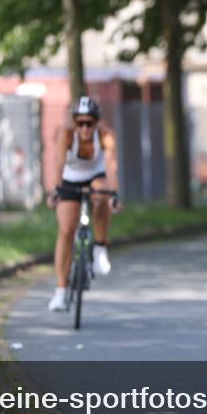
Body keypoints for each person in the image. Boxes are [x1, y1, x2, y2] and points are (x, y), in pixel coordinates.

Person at [46, 96, 121, 312]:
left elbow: (111, 166)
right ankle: (60, 292)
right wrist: (55, 191)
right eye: (80, 123)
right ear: (74, 122)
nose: (85, 128)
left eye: (89, 123)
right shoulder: (66, 135)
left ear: (96, 122)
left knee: (101, 195)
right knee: (66, 230)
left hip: (96, 177)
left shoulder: (105, 136)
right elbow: (59, 163)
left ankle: (100, 248)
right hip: (71, 179)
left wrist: (114, 195)